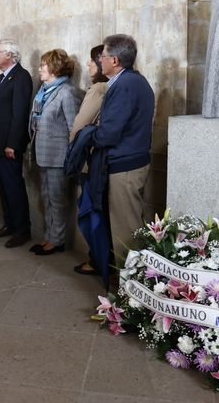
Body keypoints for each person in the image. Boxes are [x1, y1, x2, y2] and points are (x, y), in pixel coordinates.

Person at [93, 34, 155, 260]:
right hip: (129, 162)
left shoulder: (126, 85)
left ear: (115, 60)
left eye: (103, 56)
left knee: (125, 230)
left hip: (125, 166)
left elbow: (109, 133)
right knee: (128, 225)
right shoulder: (132, 81)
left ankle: (128, 289)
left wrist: (91, 137)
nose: (100, 60)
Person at [28, 49, 81, 255]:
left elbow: (73, 128)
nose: (39, 69)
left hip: (58, 157)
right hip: (43, 154)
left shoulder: (66, 92)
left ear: (55, 68)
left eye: (43, 65)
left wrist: (70, 156)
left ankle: (57, 241)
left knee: (57, 200)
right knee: (47, 198)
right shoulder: (44, 90)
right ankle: (50, 236)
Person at [0, 38, 33, 248]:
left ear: (9, 55)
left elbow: (20, 114)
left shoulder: (21, 77)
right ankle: (10, 224)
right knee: (4, 188)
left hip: (8, 146)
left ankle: (22, 230)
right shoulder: (2, 77)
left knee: (13, 187)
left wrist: (12, 144)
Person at [70, 45, 109, 276]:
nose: (88, 65)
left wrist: (71, 148)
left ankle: (97, 260)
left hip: (89, 160)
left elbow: (80, 125)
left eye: (91, 61)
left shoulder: (98, 89)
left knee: (90, 212)